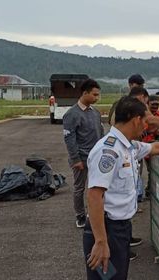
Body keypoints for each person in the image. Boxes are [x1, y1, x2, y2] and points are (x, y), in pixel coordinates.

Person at [83, 96, 159, 280]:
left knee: (117, 276)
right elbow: (94, 196)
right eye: (145, 121)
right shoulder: (108, 151)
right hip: (107, 230)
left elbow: (154, 147)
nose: (147, 126)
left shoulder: (128, 146)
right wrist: (100, 241)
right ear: (136, 119)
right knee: (106, 277)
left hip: (120, 229)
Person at [63, 79, 104, 228]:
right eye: (94, 95)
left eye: (98, 95)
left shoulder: (95, 113)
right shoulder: (71, 114)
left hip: (96, 158)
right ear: (85, 93)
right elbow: (69, 138)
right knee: (79, 188)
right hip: (81, 159)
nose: (96, 98)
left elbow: (101, 132)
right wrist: (76, 159)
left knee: (98, 187)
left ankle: (96, 212)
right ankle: (80, 215)